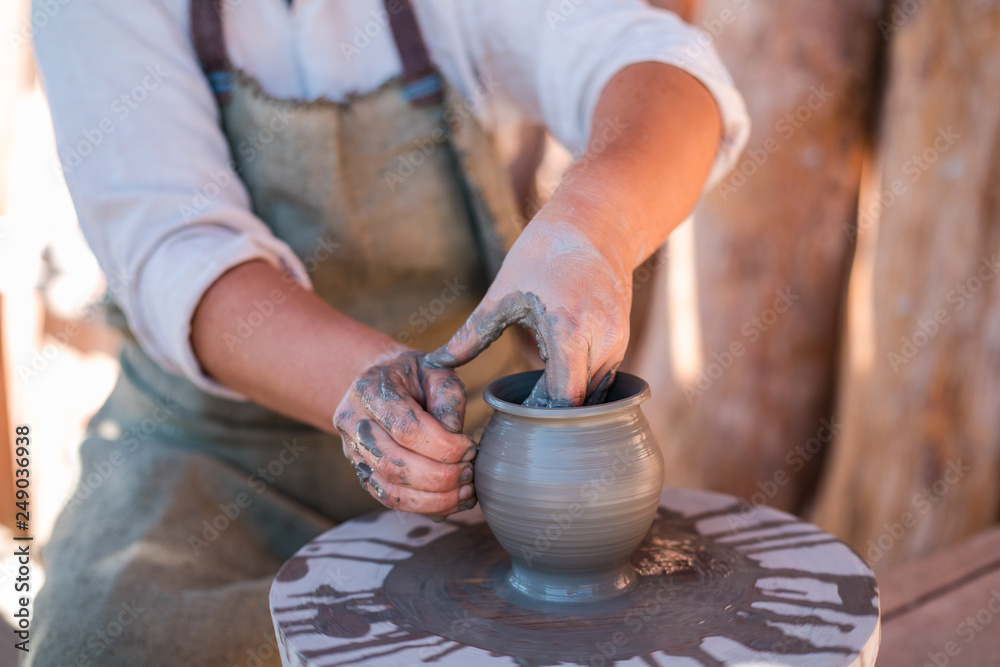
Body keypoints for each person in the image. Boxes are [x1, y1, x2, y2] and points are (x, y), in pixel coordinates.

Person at [29, 0, 749, 664]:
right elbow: (177, 253)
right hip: (206, 454)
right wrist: (370, 387)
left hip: (465, 456)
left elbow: (661, 66)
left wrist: (593, 226)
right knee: (101, 638)